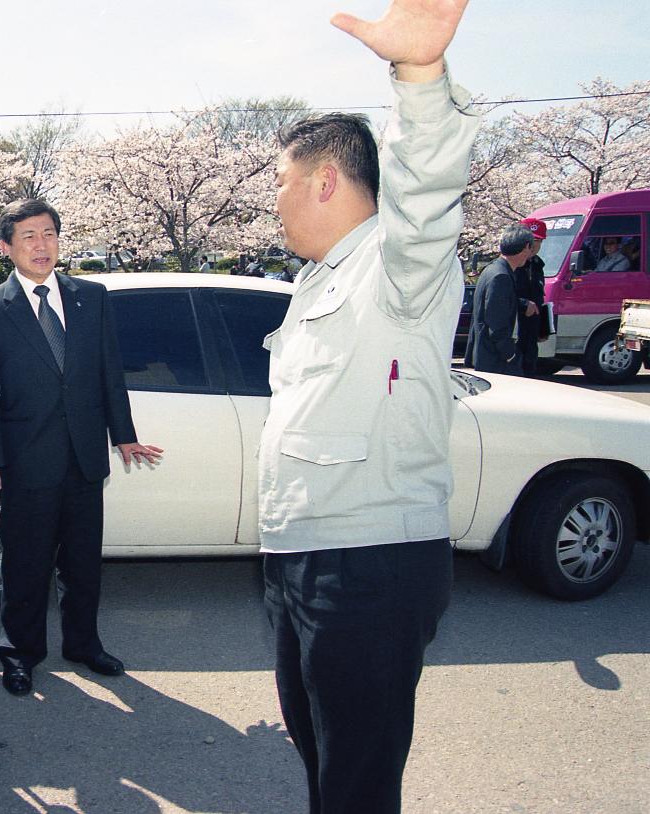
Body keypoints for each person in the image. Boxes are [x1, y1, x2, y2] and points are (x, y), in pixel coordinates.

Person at [259, 2, 479, 812]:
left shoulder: (397, 264)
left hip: (368, 563)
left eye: (280, 181)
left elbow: (426, 187)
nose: (274, 202)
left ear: (325, 178)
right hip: (306, 559)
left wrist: (419, 75)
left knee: (356, 781)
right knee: (324, 762)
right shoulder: (321, 279)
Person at [0, 199, 162, 697]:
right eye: (28, 236)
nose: (41, 245)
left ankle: (83, 645)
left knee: (82, 563)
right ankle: (20, 653)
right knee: (26, 566)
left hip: (83, 457)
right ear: (7, 246)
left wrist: (124, 434)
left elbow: (108, 373)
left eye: (49, 233)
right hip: (25, 461)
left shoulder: (90, 298)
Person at [468, 224, 534, 375]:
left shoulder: (492, 269)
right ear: (525, 247)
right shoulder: (501, 276)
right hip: (496, 359)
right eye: (531, 249)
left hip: (488, 355)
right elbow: (496, 323)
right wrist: (510, 355)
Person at [514, 218, 548, 375]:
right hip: (513, 336)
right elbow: (501, 298)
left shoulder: (538, 266)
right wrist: (523, 304)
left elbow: (538, 297)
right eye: (531, 240)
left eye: (539, 241)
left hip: (531, 337)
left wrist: (542, 326)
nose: (534, 246)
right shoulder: (511, 265)